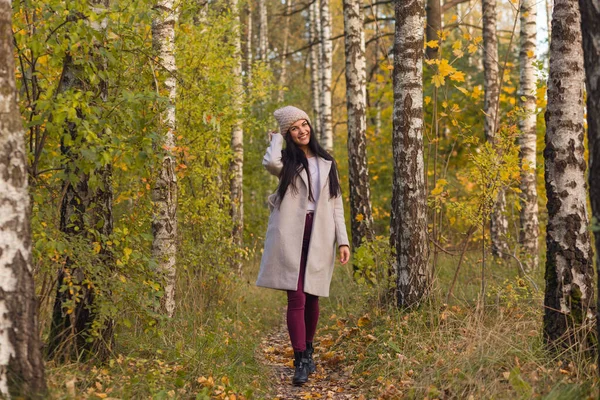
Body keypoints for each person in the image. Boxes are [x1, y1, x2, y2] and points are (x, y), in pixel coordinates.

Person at [256, 106, 350, 385]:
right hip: (291, 234)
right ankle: (299, 359)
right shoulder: (286, 161)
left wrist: (343, 240)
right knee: (295, 297)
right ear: (288, 134)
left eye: (304, 124)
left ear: (310, 126)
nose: (302, 130)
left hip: (321, 233)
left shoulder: (327, 162)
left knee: (312, 295)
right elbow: (269, 163)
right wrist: (275, 139)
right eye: (294, 128)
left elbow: (336, 204)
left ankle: (309, 350)